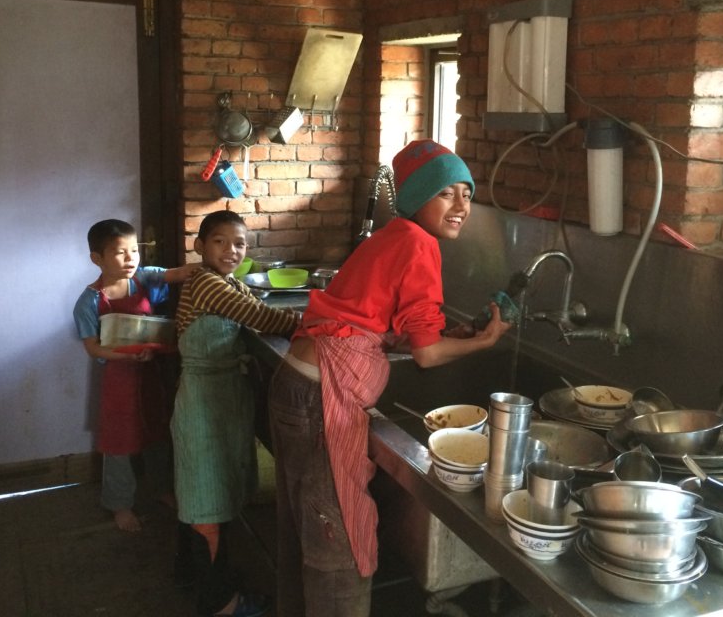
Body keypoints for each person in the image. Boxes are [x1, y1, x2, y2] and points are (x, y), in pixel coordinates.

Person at [268, 139, 514, 617]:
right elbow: (427, 355)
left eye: (467, 193)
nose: (462, 205)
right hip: (322, 400)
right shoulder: (420, 243)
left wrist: (447, 336)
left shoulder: (392, 236)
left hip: (301, 386)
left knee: (308, 533)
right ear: (418, 197)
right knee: (339, 543)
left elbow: (377, 324)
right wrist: (483, 342)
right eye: (446, 193)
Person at [173, 210, 301, 617]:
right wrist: (310, 325)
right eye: (220, 242)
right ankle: (220, 604)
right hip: (203, 404)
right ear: (200, 246)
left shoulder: (227, 282)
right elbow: (261, 316)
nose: (232, 250)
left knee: (206, 492)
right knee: (206, 500)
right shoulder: (206, 283)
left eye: (240, 244)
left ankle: (193, 576)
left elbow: (251, 302)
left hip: (221, 399)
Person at [73, 218, 197, 533]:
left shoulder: (144, 278)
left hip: (150, 376)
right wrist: (128, 356)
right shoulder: (89, 301)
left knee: (157, 433)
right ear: (97, 258)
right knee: (119, 443)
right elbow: (94, 349)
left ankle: (161, 489)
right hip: (118, 381)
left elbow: (180, 273)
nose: (131, 259)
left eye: (134, 250)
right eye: (120, 252)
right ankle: (120, 505)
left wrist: (215, 262)